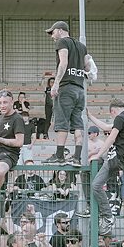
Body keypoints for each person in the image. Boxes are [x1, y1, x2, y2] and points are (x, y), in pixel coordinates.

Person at [87, 99, 124, 236]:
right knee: (95, 180)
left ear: (113, 111)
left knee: (95, 185)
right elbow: (106, 127)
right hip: (123, 159)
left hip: (116, 159)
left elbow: (110, 138)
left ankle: (107, 216)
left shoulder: (120, 118)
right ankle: (100, 211)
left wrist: (98, 155)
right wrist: (90, 116)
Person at [43, 21, 87, 165]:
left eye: (53, 32)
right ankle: (77, 157)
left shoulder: (62, 42)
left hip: (66, 87)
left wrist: (56, 84)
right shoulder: (82, 46)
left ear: (60, 30)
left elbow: (63, 62)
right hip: (80, 89)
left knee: (62, 122)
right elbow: (87, 66)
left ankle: (59, 155)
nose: (52, 36)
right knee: (78, 124)